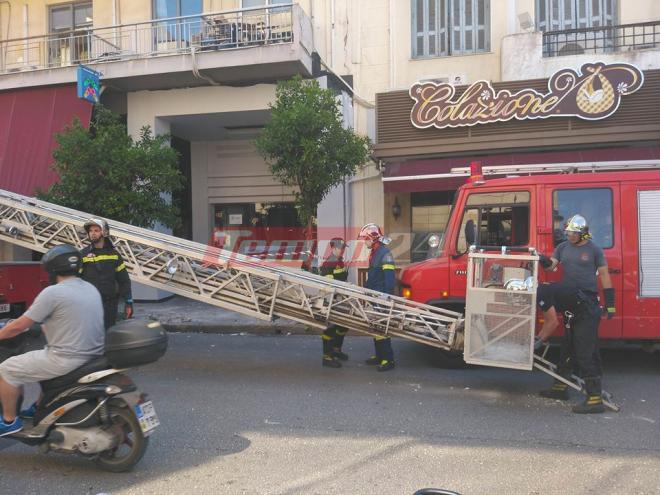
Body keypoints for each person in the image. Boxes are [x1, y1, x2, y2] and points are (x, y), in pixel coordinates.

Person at [0, 244, 105, 436]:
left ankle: (9, 421)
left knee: (6, 369)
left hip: (65, 359)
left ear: (53, 270)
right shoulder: (90, 288)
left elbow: (17, 326)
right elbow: (69, 318)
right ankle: (39, 407)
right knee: (36, 358)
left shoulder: (53, 293)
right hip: (93, 355)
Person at [536, 214, 615, 414]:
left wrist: (611, 304)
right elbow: (552, 266)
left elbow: (604, 275)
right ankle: (561, 387)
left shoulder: (594, 250)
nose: (570, 236)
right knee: (567, 347)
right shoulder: (563, 247)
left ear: (583, 233)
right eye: (568, 232)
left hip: (588, 305)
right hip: (571, 304)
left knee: (586, 352)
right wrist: (543, 259)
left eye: (573, 233)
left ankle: (595, 398)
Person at [80, 218, 134, 330]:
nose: (92, 233)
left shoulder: (114, 255)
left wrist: (128, 302)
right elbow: (75, 280)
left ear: (104, 232)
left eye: (96, 230)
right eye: (90, 231)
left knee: (108, 337)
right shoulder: (83, 254)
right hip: (88, 305)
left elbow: (124, 280)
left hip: (109, 304)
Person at [358, 223, 396, 372]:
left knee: (381, 327)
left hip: (381, 296)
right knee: (375, 326)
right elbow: (373, 275)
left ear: (372, 238)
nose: (364, 242)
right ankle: (379, 356)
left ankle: (388, 359)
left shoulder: (384, 254)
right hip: (374, 295)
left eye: (365, 239)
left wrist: (386, 297)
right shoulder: (375, 252)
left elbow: (389, 278)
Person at [319, 237, 350, 368]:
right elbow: (330, 286)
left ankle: (336, 350)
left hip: (340, 300)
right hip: (330, 301)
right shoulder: (328, 264)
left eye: (343, 248)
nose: (342, 251)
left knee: (343, 326)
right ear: (333, 248)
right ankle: (327, 357)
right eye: (339, 248)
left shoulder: (340, 262)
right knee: (330, 329)